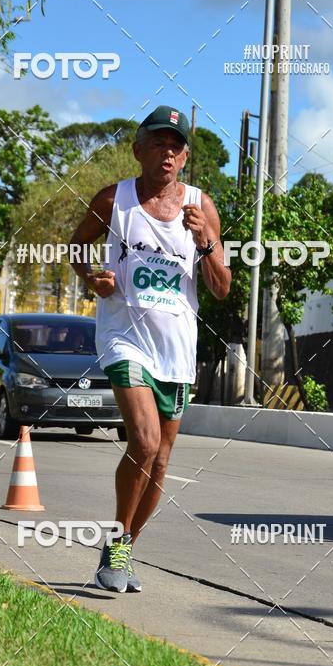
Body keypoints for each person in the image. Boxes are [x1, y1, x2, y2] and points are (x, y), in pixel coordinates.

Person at [71, 105, 231, 593]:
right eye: (158, 143)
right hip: (124, 338)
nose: (167, 152)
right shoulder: (113, 199)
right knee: (142, 441)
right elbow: (77, 245)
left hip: (177, 349)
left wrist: (205, 241)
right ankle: (117, 545)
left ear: (184, 159)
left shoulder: (201, 207)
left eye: (176, 146)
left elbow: (222, 287)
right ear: (138, 149)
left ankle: (124, 549)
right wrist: (91, 278)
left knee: (160, 460)